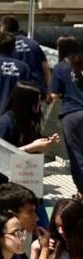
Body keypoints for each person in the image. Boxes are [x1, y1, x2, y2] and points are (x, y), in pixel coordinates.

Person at [48, 36, 83, 194]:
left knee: (77, 155)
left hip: (72, 114)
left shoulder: (60, 67)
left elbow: (54, 95)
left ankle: (81, 192)